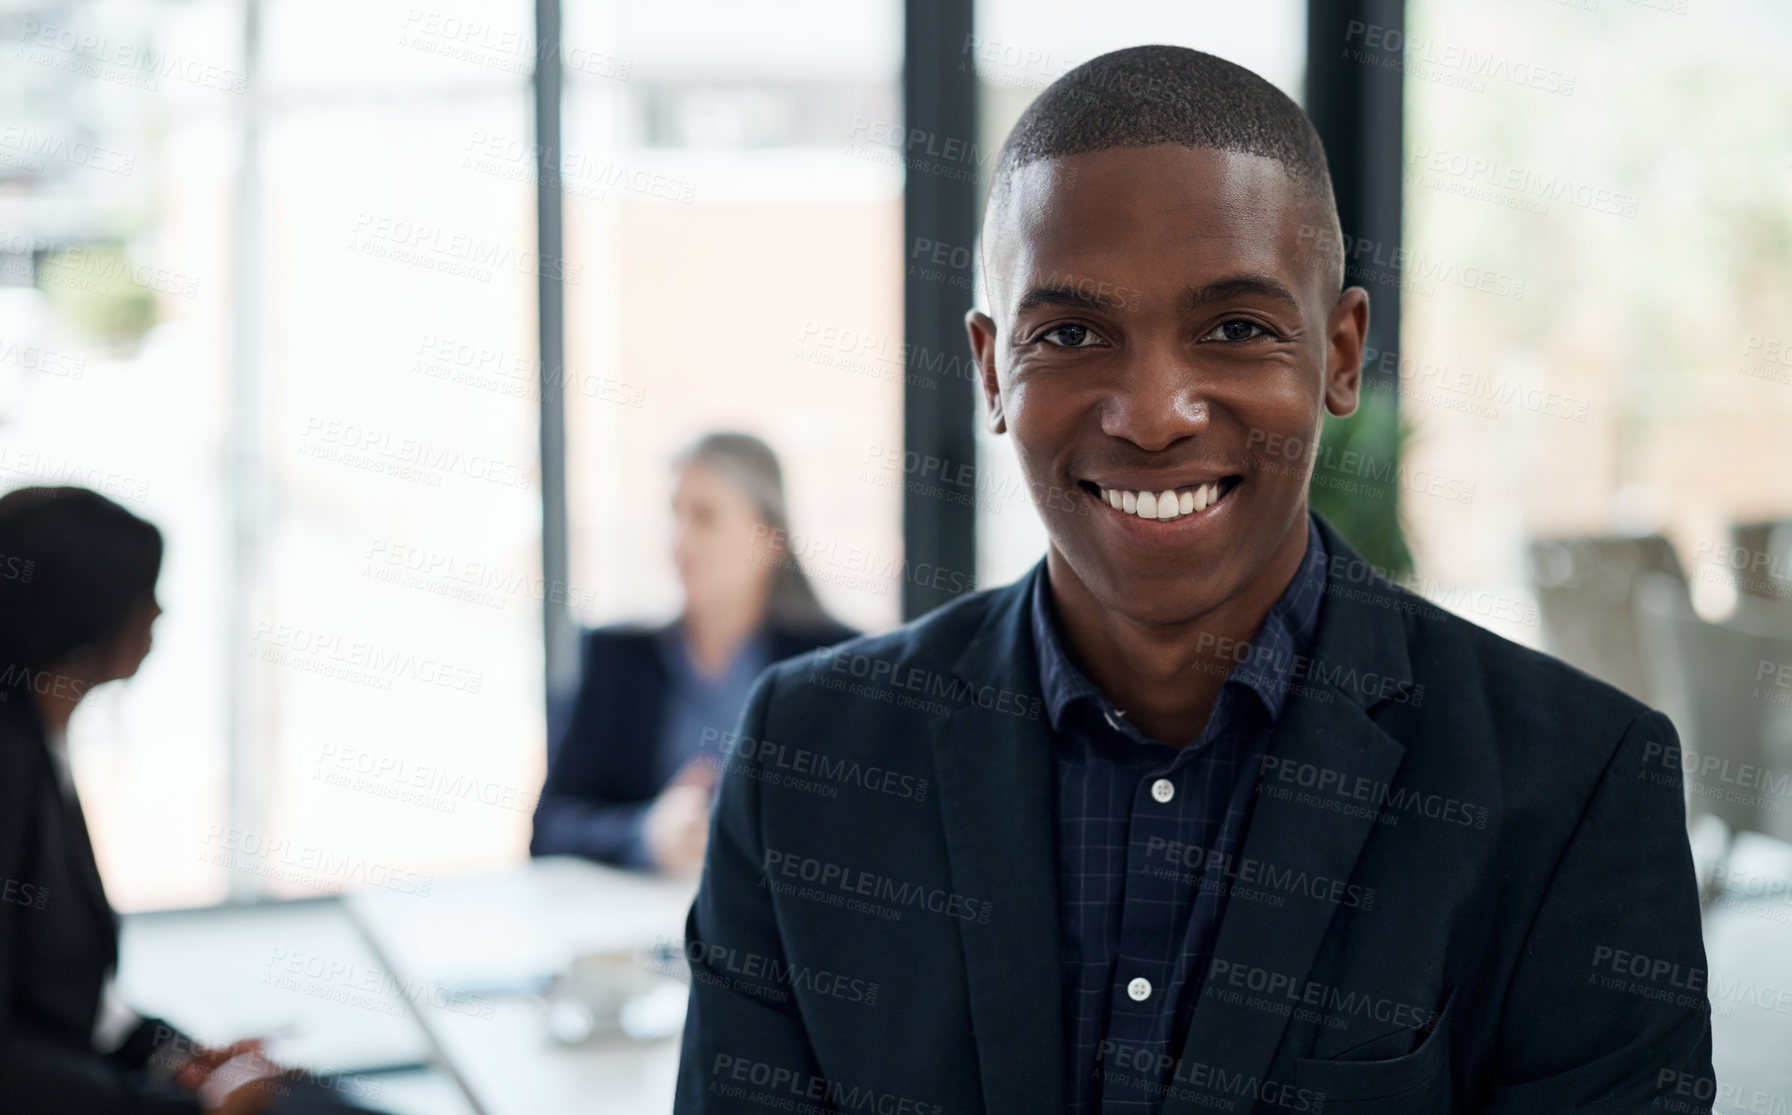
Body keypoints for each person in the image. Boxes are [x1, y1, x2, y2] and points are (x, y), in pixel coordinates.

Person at [675, 46, 1712, 1114]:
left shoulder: (1573, 785)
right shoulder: (809, 759)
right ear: (991, 369)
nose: (1153, 409)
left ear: (1341, 355)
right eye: (1071, 333)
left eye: (1235, 329)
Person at [0, 487, 381, 1115]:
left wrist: (179, 1059)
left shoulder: (42, 748)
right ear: (84, 611)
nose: (158, 613)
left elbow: (70, 1008)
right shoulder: (10, 766)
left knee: (311, 1095)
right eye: (143, 593)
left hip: (100, 1082)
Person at [531, 432, 856, 875]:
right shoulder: (618, 658)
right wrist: (644, 834)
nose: (680, 543)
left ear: (771, 538)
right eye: (676, 516)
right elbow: (549, 828)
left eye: (705, 517)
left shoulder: (840, 663)